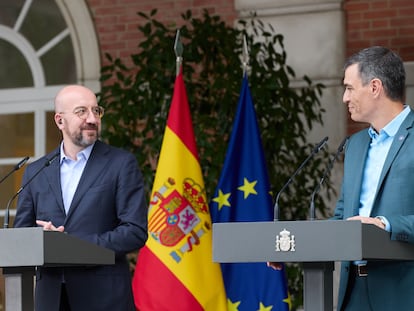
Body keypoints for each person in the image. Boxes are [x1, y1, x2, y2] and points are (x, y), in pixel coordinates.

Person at [14, 85, 148, 311]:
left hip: (105, 299)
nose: (92, 119)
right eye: (81, 111)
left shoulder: (121, 164)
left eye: (96, 111)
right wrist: (43, 240)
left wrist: (70, 244)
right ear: (59, 121)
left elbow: (134, 231)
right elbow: (21, 236)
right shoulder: (36, 171)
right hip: (51, 300)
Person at [331, 46, 414, 311]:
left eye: (350, 88)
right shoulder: (354, 145)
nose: (345, 98)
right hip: (353, 291)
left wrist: (384, 224)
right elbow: (342, 217)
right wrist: (293, 250)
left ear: (375, 87)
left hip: (402, 291)